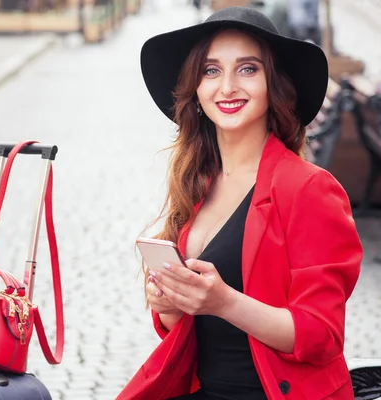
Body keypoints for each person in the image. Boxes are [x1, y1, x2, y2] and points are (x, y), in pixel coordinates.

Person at [118, 6, 362, 400]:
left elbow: (321, 335)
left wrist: (225, 301)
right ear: (196, 89)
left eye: (248, 69)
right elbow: (182, 329)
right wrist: (170, 303)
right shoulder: (197, 182)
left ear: (274, 85)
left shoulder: (311, 189)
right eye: (211, 71)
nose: (227, 86)